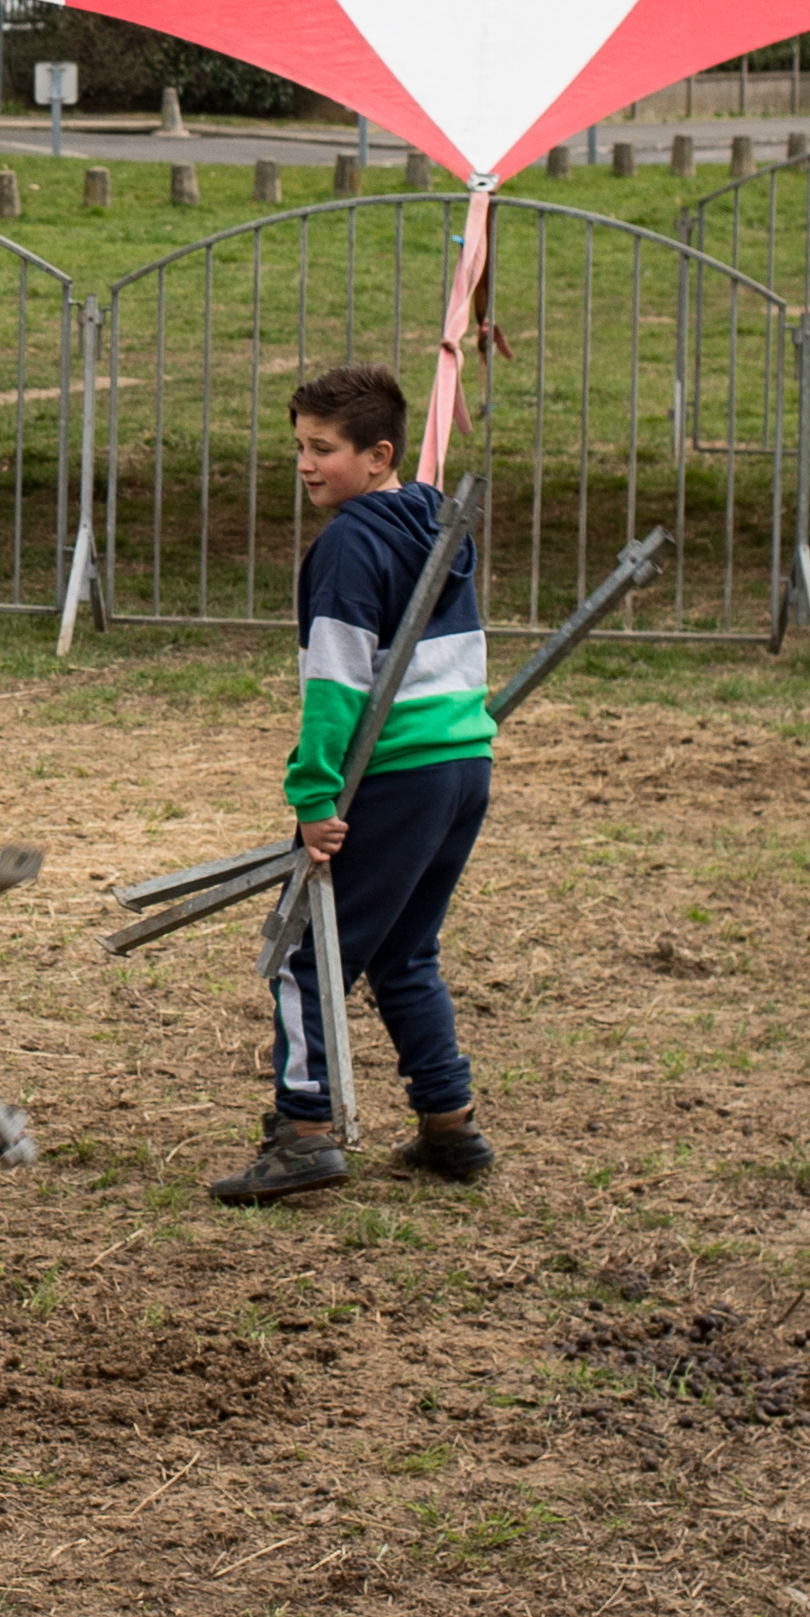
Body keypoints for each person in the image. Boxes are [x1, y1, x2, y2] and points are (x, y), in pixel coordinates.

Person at [213, 358, 498, 1206]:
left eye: (324, 449)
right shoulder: (435, 522)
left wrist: (312, 797)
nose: (305, 464)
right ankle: (450, 1124)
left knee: (309, 957)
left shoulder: (346, 543)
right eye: (298, 446)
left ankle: (303, 1132)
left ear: (377, 455)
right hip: (462, 766)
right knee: (405, 951)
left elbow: (333, 685)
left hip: (397, 773)